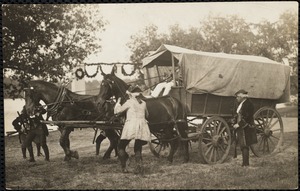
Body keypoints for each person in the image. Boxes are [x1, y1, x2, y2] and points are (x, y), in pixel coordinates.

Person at [114, 86, 150, 174]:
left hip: (131, 126)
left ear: (132, 95)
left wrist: (118, 103)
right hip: (142, 127)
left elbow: (117, 112)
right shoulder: (144, 103)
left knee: (121, 146)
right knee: (138, 147)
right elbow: (147, 115)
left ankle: (124, 167)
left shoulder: (129, 102)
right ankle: (139, 167)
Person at [233, 89, 257, 167]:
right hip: (242, 127)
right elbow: (239, 115)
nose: (236, 98)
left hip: (246, 127)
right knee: (243, 144)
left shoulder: (249, 104)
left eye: (237, 97)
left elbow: (247, 117)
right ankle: (245, 163)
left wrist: (239, 124)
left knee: (245, 144)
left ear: (242, 97)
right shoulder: (242, 103)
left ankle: (245, 164)